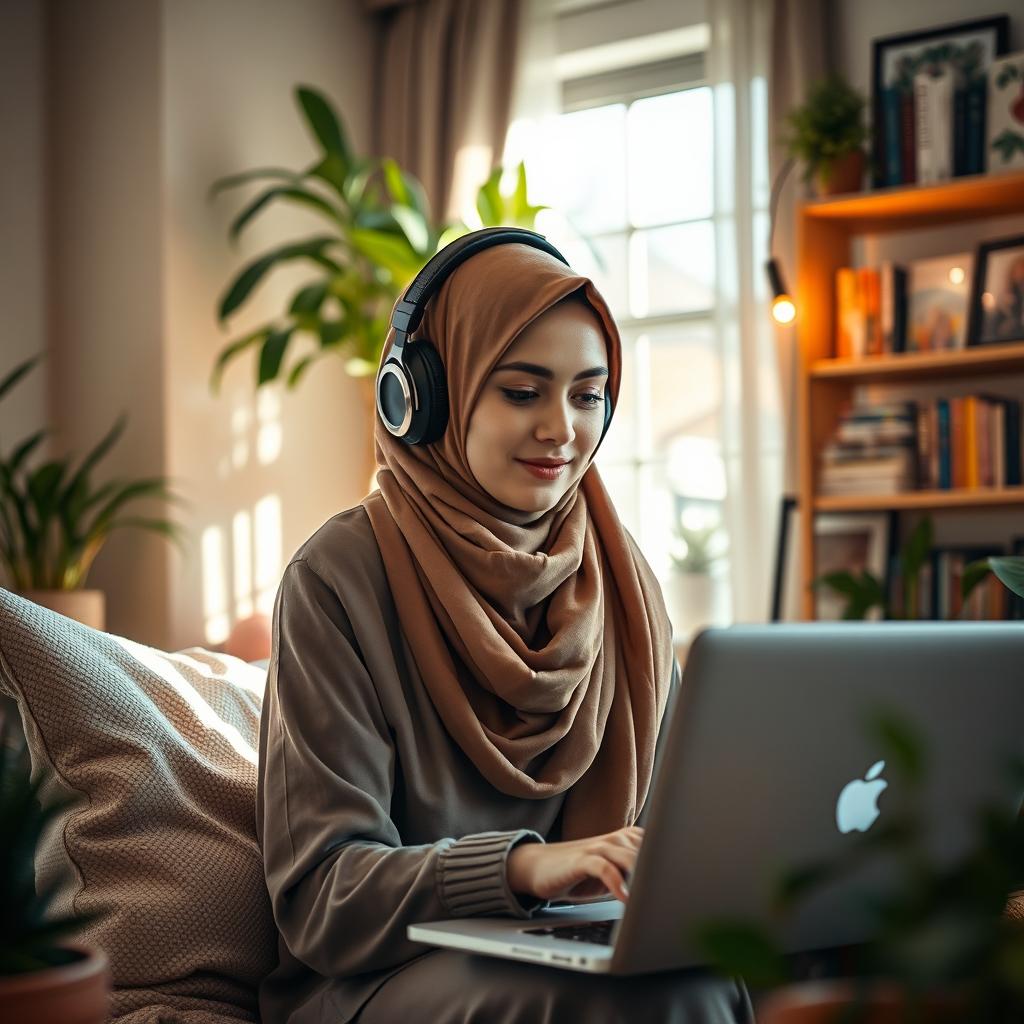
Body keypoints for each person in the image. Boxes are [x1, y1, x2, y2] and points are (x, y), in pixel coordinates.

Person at [255, 238, 754, 1024]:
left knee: (706, 980)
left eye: (589, 396)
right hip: (375, 978)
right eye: (523, 392)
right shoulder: (337, 578)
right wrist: (523, 869)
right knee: (586, 999)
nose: (562, 429)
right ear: (425, 399)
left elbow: (669, 836)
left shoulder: (625, 585)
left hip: (584, 949)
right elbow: (323, 897)